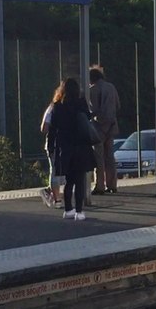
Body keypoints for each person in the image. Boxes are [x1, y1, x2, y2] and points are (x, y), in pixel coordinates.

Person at [47, 77, 98, 220]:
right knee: (80, 180)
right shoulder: (81, 104)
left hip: (65, 147)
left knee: (68, 181)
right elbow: (87, 120)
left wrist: (51, 146)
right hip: (81, 146)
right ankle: (79, 211)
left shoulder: (58, 106)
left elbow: (53, 129)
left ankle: (68, 209)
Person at [88, 66, 120, 195]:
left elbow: (92, 109)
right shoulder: (111, 87)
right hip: (112, 125)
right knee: (110, 156)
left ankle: (99, 185)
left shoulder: (92, 90)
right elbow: (118, 105)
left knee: (99, 157)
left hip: (98, 127)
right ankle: (112, 184)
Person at [38, 84, 65, 209]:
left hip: (53, 143)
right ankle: (56, 198)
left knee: (56, 170)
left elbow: (44, 128)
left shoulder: (52, 108)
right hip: (61, 144)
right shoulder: (69, 108)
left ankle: (51, 192)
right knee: (57, 171)